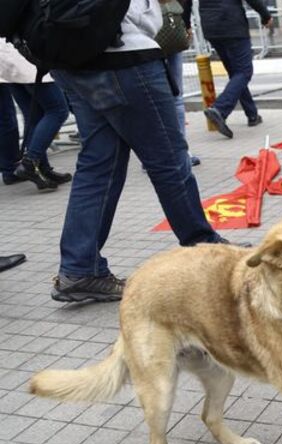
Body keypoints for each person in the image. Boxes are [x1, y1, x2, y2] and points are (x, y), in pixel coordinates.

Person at [51, 0, 229, 303]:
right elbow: (143, 17)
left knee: (98, 166)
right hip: (124, 57)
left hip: (69, 58)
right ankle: (206, 253)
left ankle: (79, 268)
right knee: (169, 161)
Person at [0, 41, 72, 192]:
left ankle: (42, 169)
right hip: (25, 56)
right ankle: (30, 162)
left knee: (33, 115)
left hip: (7, 60)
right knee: (58, 110)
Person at [199, 0, 272, 139]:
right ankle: (220, 108)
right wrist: (265, 15)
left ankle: (252, 114)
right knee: (244, 71)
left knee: (236, 74)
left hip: (211, 27)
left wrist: (186, 23)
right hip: (232, 24)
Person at [166, 0, 202, 167]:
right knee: (176, 98)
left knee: (149, 100)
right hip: (171, 31)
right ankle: (181, 152)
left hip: (144, 38)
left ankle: (155, 153)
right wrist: (186, 25)